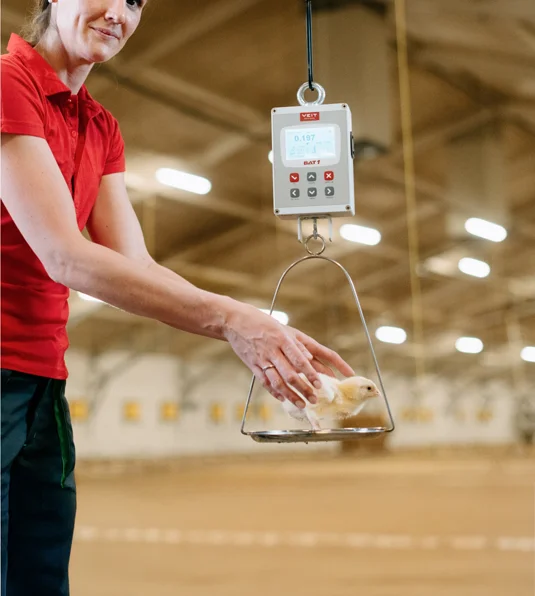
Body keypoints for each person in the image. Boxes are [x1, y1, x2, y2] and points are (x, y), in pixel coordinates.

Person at [0, 0, 355, 594]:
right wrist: (231, 321)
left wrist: (253, 325)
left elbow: (135, 264)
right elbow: (64, 255)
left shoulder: (101, 126)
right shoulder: (8, 84)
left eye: (136, 1)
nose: (117, 12)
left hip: (41, 384)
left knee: (37, 573)